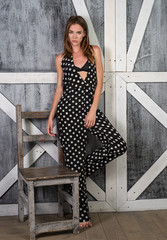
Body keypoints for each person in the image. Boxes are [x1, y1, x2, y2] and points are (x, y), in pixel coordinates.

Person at [47, 15, 127, 228]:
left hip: (89, 111)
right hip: (67, 114)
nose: (74, 36)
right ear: (67, 33)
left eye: (78, 32)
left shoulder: (94, 52)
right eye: (71, 32)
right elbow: (59, 90)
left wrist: (92, 111)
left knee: (118, 145)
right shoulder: (61, 58)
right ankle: (82, 216)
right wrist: (50, 115)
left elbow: (99, 84)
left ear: (84, 34)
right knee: (74, 162)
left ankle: (79, 170)